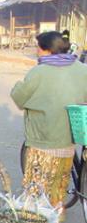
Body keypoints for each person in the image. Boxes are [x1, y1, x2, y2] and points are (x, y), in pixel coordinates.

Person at [11, 31, 87, 209]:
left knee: (35, 190)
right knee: (58, 187)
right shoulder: (81, 68)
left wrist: (17, 86)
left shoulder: (39, 72)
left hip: (42, 141)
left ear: (47, 50)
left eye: (38, 48)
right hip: (69, 140)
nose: (36, 51)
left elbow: (19, 99)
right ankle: (55, 215)